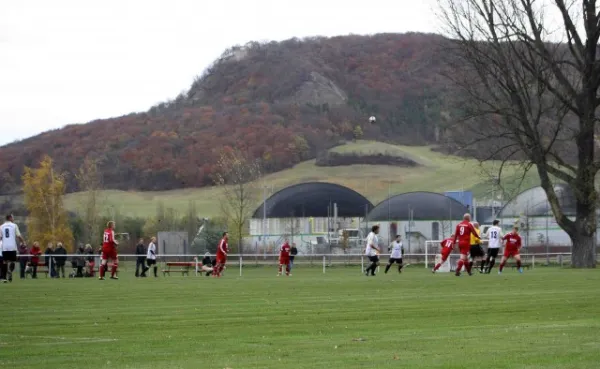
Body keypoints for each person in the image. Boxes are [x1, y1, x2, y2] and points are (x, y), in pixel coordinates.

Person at [0, 214, 25, 282]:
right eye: (13, 217)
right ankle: (10, 270)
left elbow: (0, 237)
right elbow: (19, 236)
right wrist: (23, 242)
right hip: (12, 246)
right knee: (13, 261)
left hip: (4, 247)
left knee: (4, 262)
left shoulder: (1, 226)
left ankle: (4, 278)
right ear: (10, 218)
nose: (13, 219)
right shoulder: (14, 225)